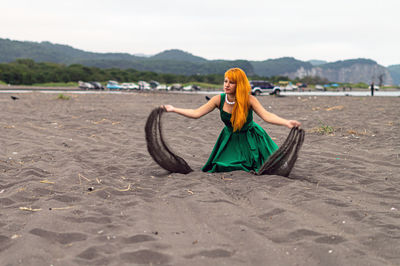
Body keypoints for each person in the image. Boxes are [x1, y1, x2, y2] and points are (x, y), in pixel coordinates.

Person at [163, 68, 301, 173]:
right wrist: (174, 109)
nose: (227, 85)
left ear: (239, 84)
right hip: (229, 139)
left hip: (251, 138)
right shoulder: (218, 99)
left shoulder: (249, 100)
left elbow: (267, 116)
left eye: (232, 82)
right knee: (222, 167)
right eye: (225, 81)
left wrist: (286, 122)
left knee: (264, 167)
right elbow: (196, 113)